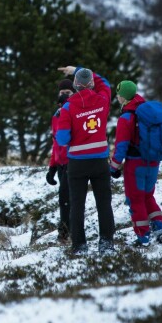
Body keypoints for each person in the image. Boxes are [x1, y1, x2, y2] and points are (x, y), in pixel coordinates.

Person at [54, 65, 115, 254]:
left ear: (75, 85)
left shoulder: (68, 107)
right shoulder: (103, 99)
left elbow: (62, 139)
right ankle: (106, 243)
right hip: (99, 160)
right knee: (104, 203)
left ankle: (79, 245)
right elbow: (104, 82)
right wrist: (78, 68)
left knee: (77, 205)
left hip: (77, 163)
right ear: (91, 84)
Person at [110, 80, 162, 245]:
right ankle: (160, 227)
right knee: (147, 195)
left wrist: (114, 167)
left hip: (135, 164)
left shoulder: (126, 117)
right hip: (152, 161)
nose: (117, 96)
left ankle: (143, 236)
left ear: (123, 96)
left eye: (118, 93)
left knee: (135, 199)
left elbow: (121, 146)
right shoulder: (147, 112)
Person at [46, 79, 74, 243]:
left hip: (74, 160)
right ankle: (66, 233)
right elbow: (56, 143)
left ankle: (65, 234)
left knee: (66, 198)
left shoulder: (73, 111)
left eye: (68, 93)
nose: (64, 96)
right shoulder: (56, 115)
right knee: (64, 199)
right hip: (61, 163)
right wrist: (52, 167)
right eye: (62, 93)